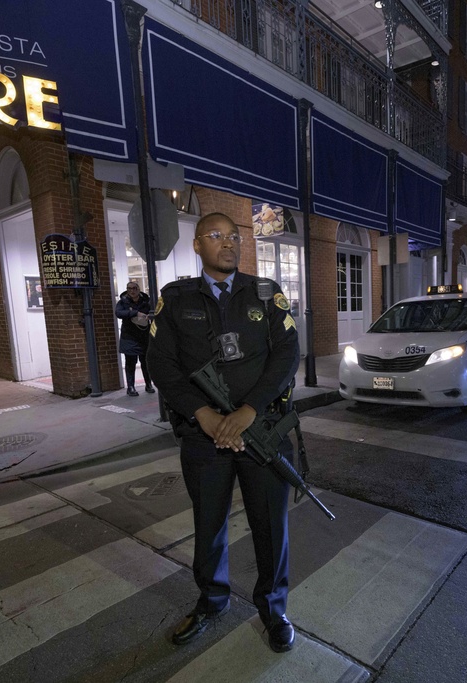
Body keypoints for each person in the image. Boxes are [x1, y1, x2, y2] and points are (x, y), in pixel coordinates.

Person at [147, 213, 300, 653]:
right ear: (197, 245)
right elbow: (162, 365)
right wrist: (204, 414)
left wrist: (249, 411)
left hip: (262, 431)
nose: (229, 243)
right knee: (209, 523)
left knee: (271, 527)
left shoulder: (266, 294)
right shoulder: (175, 299)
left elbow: (287, 354)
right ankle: (213, 601)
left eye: (234, 237)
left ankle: (274, 609)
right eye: (217, 236)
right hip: (204, 436)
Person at [115, 279, 153, 396]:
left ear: (139, 289)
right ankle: (130, 387)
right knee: (130, 363)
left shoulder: (146, 301)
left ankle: (148, 384)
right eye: (129, 289)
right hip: (129, 337)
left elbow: (154, 311)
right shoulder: (122, 302)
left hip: (144, 336)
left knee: (146, 362)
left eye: (134, 288)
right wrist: (135, 313)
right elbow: (119, 313)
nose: (132, 291)